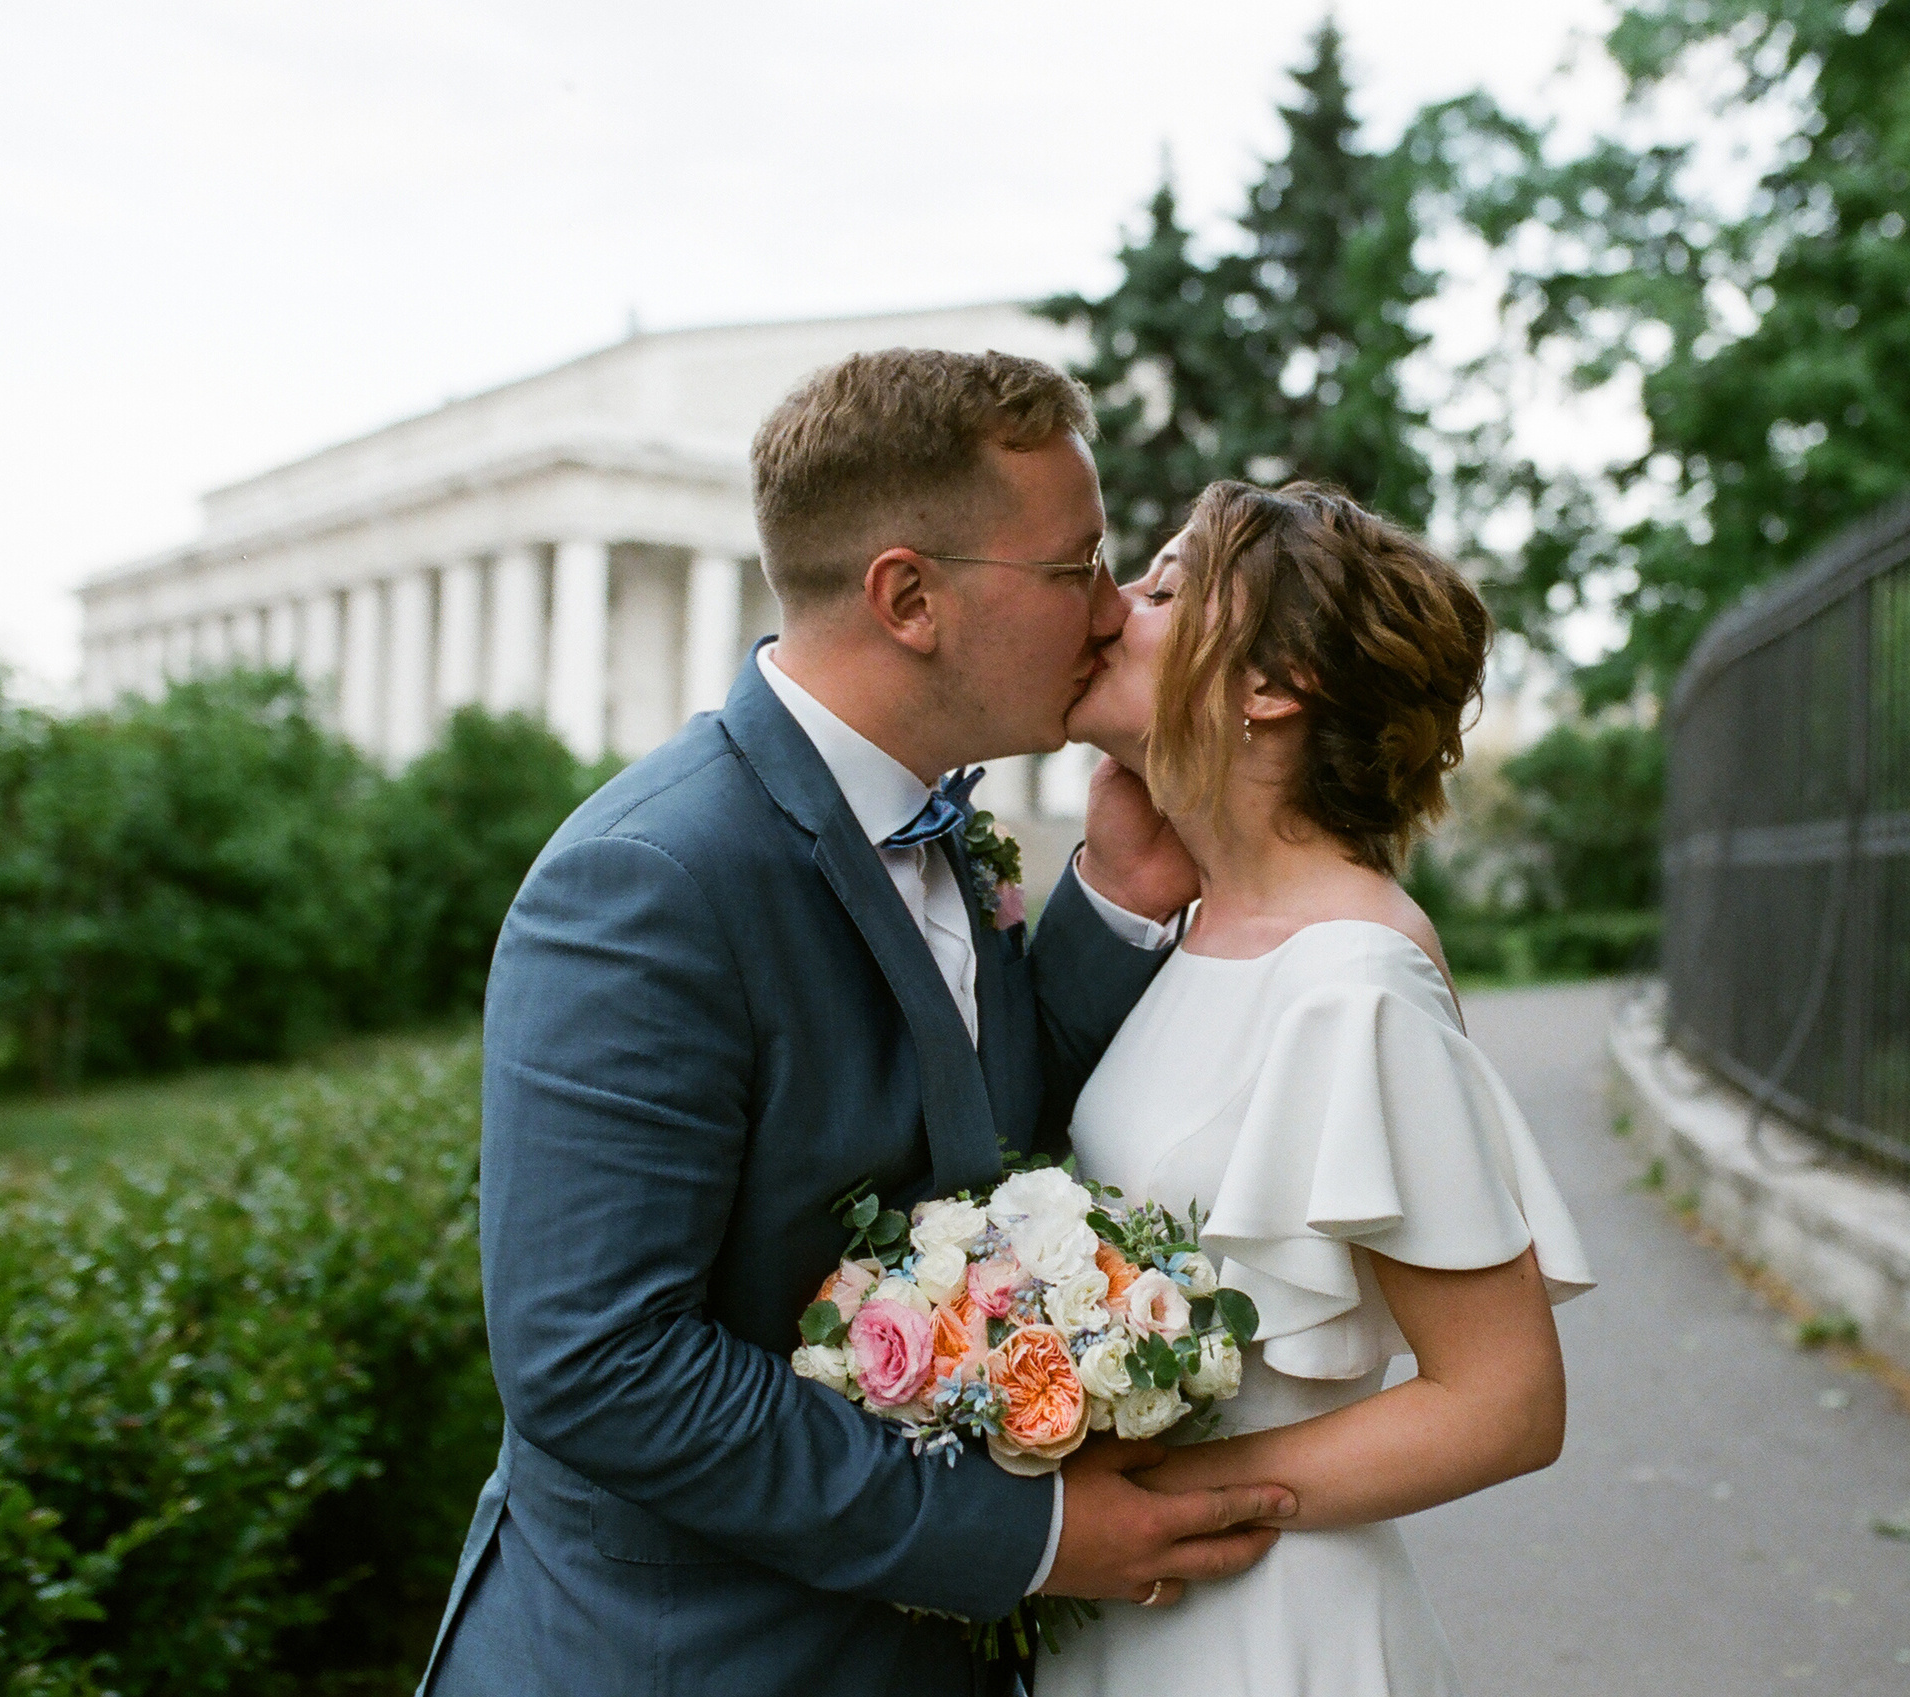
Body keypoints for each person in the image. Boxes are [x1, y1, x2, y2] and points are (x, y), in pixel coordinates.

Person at [418, 351, 1296, 1697]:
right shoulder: (648, 882)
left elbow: (965, 1139)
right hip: (680, 1664)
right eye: (1078, 567)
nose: (1114, 611)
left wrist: (1117, 893)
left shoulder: (944, 825)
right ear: (909, 597)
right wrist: (1031, 1531)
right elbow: (599, 1364)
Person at [1040, 481, 1594, 1696]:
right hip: (1131, 1614)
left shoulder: (1355, 980)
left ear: (1270, 685)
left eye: (1168, 587)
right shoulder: (1205, 928)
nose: (1111, 606)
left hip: (1261, 1630)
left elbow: (1503, 1402)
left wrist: (1137, 1502)